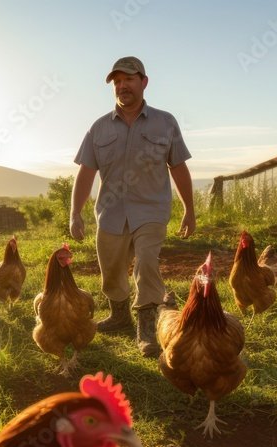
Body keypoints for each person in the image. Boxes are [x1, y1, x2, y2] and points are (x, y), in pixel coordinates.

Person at [70, 55, 196, 357]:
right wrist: (75, 212)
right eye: (117, 81)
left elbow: (178, 167)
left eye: (128, 79)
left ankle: (147, 325)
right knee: (111, 270)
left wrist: (189, 209)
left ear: (144, 82)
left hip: (151, 210)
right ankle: (120, 315)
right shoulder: (99, 128)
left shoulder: (166, 122)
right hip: (111, 213)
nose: (122, 86)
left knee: (146, 263)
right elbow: (86, 172)